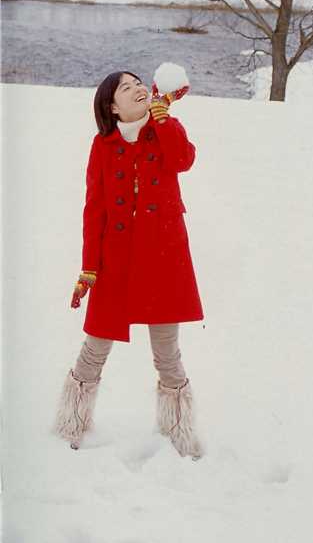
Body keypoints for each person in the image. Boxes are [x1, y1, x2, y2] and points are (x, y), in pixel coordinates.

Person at [52, 71, 205, 459]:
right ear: (112, 107)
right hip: (115, 259)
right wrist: (89, 268)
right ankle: (73, 420)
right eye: (126, 86)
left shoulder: (165, 128)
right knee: (96, 342)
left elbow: (183, 160)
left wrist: (164, 119)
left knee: (166, 350)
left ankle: (178, 430)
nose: (138, 87)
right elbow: (95, 209)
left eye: (139, 82)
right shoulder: (102, 145)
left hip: (163, 255)